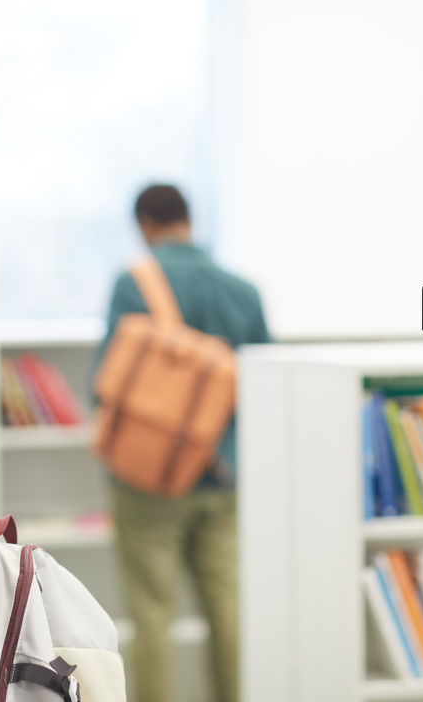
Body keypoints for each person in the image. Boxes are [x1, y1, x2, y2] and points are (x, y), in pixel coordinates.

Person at [91, 184, 269, 702]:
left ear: (146, 224)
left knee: (152, 613)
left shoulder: (134, 283)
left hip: (149, 479)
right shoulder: (243, 290)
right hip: (223, 477)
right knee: (229, 610)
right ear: (189, 220)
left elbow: (108, 380)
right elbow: (264, 388)